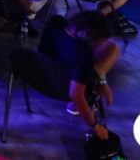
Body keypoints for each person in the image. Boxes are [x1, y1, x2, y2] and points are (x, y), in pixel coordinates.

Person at [40, 11, 121, 141]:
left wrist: (102, 81)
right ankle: (77, 104)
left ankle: (99, 79)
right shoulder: (83, 57)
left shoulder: (56, 22)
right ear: (89, 35)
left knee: (111, 47)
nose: (100, 45)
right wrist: (94, 125)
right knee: (113, 49)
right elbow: (75, 94)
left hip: (44, 66)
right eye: (99, 42)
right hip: (60, 82)